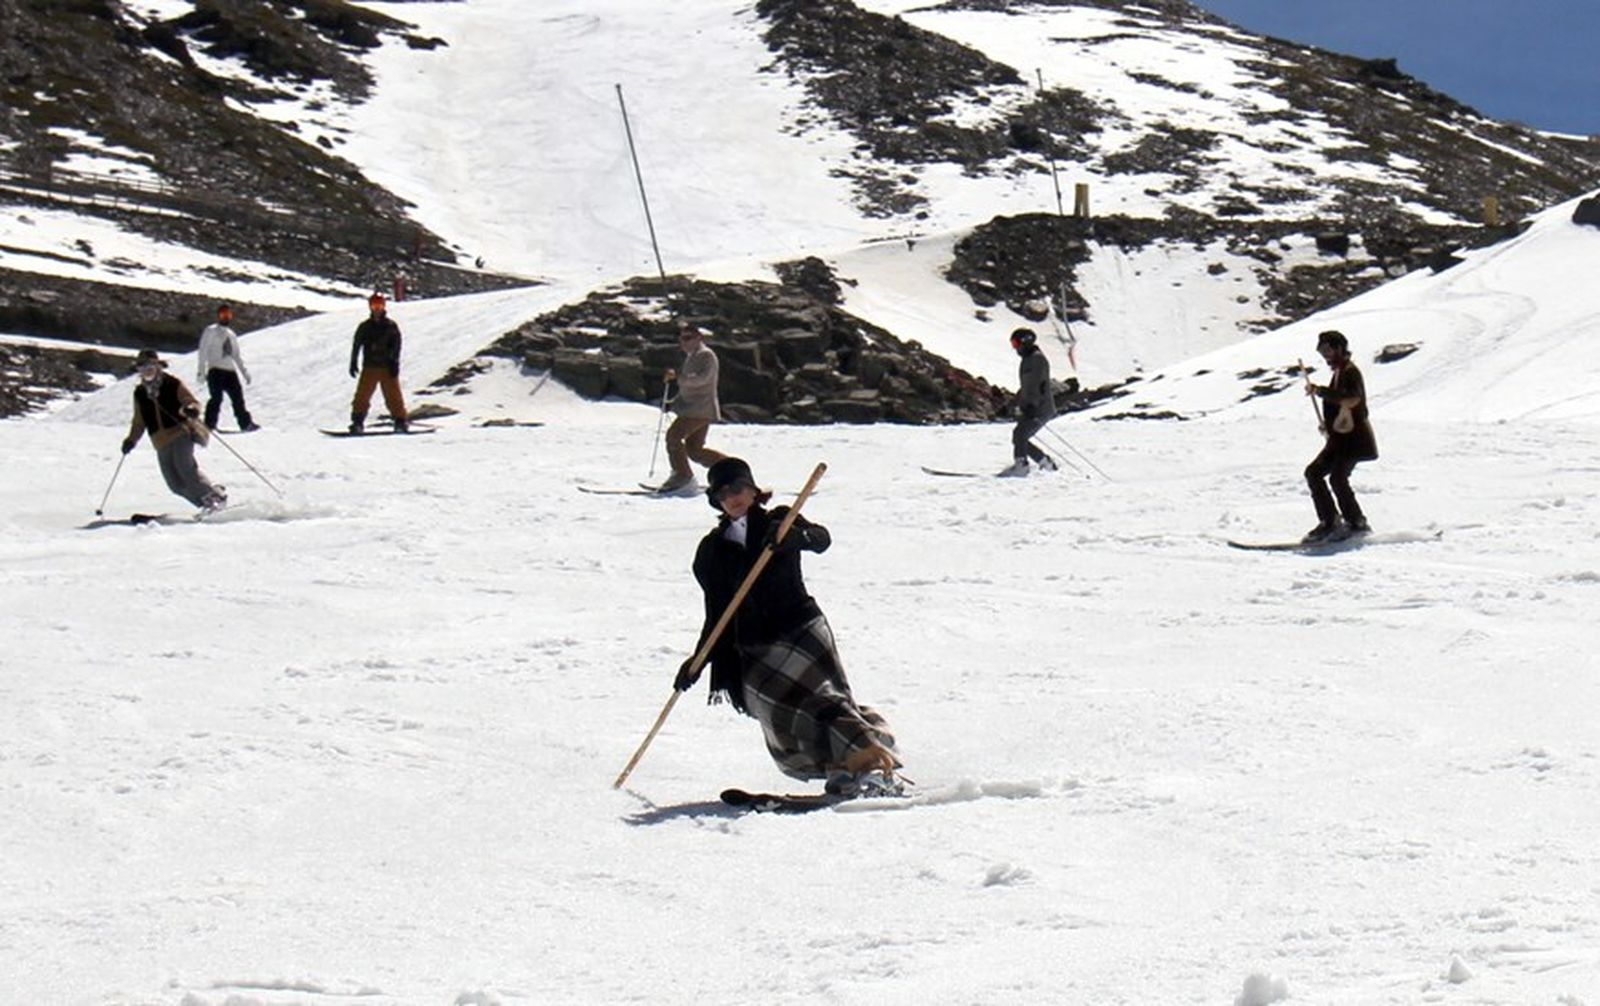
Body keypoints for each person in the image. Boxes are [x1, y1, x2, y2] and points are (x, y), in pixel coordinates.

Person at [674, 457, 903, 797]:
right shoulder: (711, 551)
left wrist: (795, 538)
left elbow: (821, 539)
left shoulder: (779, 521)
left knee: (824, 704)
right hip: (754, 646)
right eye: (723, 493)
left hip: (800, 629)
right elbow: (717, 613)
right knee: (783, 721)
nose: (733, 496)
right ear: (716, 501)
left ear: (753, 490)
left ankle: (874, 768)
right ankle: (842, 765)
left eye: (738, 487)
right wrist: (698, 661)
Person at [122, 349, 226, 511]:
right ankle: (204, 504)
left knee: (185, 469)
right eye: (142, 367)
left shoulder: (172, 383)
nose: (147, 370)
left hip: (180, 433)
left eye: (151, 366)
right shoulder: (140, 392)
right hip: (160, 441)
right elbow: (139, 422)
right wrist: (131, 440)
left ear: (158, 366)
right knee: (174, 483)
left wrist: (191, 409)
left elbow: (190, 401)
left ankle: (215, 499)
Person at [1303, 330, 1378, 542]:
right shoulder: (1340, 372)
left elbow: (1352, 398)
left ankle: (1355, 523)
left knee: (1336, 478)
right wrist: (1328, 426)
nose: (1324, 354)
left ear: (1339, 348)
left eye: (1327, 349)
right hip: (1340, 440)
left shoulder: (1350, 372)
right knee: (1314, 473)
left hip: (1354, 441)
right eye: (1321, 350)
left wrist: (1321, 391)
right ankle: (1331, 521)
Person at [657, 322, 726, 493]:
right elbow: (687, 385)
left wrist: (678, 378)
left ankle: (683, 476)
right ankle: (731, 469)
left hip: (699, 409)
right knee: (694, 450)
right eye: (681, 339)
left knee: (674, 436)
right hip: (695, 409)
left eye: (688, 338)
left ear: (698, 338)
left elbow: (702, 379)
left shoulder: (706, 355)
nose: (683, 342)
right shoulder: (692, 356)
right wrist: (672, 402)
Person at [998, 328, 1058, 477]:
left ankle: (1022, 465)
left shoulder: (1036, 360)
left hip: (1040, 407)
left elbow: (1036, 386)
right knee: (1020, 437)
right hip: (1035, 406)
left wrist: (1031, 405)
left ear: (1025, 342)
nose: (1015, 348)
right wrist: (1010, 406)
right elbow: (1025, 388)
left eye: (1016, 343)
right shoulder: (1028, 360)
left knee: (1020, 435)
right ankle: (1046, 463)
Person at [348, 292, 408, 434]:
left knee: (394, 397)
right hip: (370, 366)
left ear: (384, 306)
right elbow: (357, 344)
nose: (377, 308)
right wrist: (353, 361)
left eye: (379, 305)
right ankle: (357, 422)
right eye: (374, 305)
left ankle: (400, 421)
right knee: (362, 396)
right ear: (370, 307)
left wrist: (394, 362)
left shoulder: (390, 326)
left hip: (387, 367)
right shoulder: (365, 327)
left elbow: (397, 345)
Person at [196, 303, 257, 432]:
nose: (226, 317)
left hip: (230, 371)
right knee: (216, 398)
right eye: (223, 314)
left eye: (228, 315)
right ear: (218, 316)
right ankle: (209, 425)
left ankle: (245, 424)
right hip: (215, 370)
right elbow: (203, 350)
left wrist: (244, 372)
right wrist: (201, 371)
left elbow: (236, 355)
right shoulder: (210, 330)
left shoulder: (231, 334)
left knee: (238, 399)